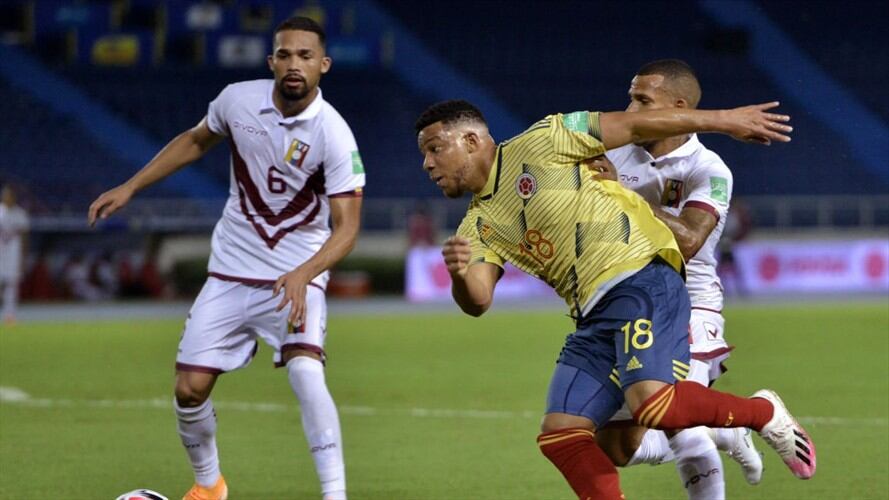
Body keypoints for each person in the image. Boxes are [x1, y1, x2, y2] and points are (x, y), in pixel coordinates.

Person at [415, 99, 815, 499]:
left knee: (653, 405)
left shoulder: (546, 137)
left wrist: (725, 121)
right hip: (593, 315)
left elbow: (638, 125)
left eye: (434, 148)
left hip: (642, 275)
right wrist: (459, 276)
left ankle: (764, 413)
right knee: (562, 433)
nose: (427, 164)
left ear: (470, 139)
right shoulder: (476, 225)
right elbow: (479, 300)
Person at [88, 16, 364, 500]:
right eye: (284, 54)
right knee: (188, 390)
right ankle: (209, 485)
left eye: (304, 56)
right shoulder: (237, 100)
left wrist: (305, 273)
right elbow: (195, 141)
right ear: (270, 61)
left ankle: (334, 495)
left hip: (295, 279)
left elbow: (348, 229)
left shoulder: (335, 135)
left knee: (304, 371)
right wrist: (131, 185)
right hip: (231, 272)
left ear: (324, 65)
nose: (293, 64)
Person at [589, 59, 759, 499]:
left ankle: (721, 426)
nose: (630, 108)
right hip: (624, 306)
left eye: (642, 100)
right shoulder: (610, 153)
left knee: (676, 417)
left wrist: (622, 195)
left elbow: (688, 241)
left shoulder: (710, 168)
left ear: (679, 107)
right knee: (616, 448)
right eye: (630, 96)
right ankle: (724, 432)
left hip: (689, 304)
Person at [0, 184, 29, 325]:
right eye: (5, 195)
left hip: (13, 255)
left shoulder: (20, 214)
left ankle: (9, 315)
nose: (7, 198)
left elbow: (24, 238)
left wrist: (23, 257)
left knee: (11, 285)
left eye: (10, 195)